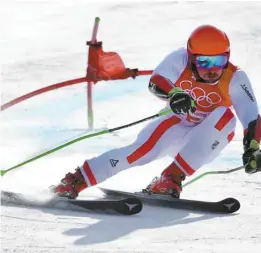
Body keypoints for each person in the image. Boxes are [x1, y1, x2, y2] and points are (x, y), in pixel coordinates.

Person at [52, 24, 261, 199]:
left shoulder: (235, 77)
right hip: (176, 124)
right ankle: (75, 181)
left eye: (219, 61)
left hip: (204, 141)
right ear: (191, 57)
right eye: (204, 62)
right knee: (137, 153)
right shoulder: (179, 60)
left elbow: (252, 119)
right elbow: (156, 81)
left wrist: (253, 149)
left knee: (227, 117)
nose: (211, 69)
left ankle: (170, 179)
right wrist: (174, 94)